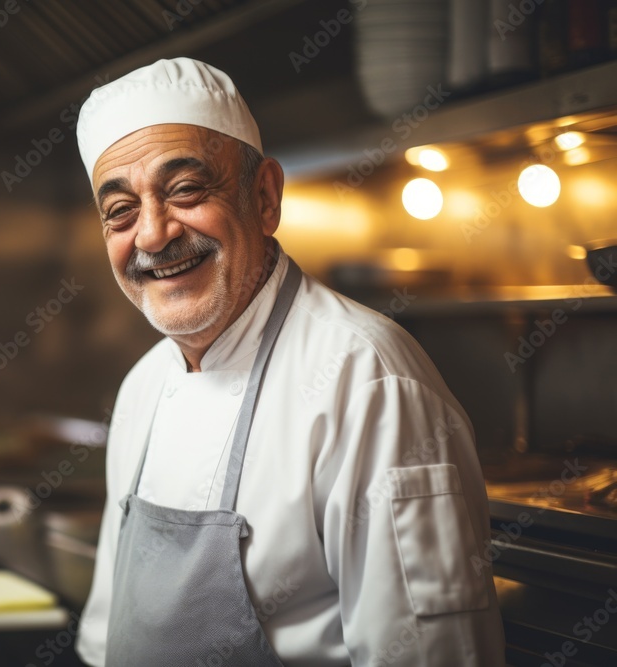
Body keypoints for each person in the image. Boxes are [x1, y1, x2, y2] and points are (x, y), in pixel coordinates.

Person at [74, 58, 505, 666]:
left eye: (186, 190)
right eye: (120, 211)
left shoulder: (368, 381)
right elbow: (105, 640)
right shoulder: (142, 387)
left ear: (265, 197)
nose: (151, 235)